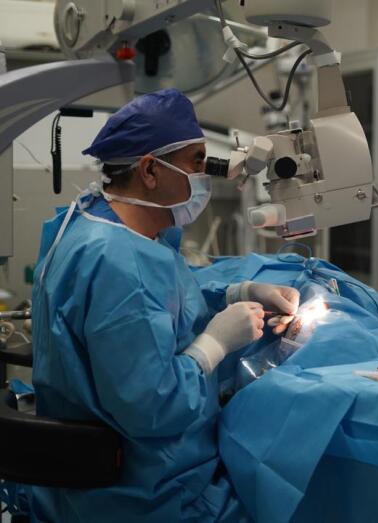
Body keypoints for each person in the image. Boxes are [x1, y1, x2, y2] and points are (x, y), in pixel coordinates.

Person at [30, 89, 300, 522]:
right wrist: (214, 344)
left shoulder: (94, 223)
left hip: (83, 484)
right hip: (143, 494)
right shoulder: (117, 262)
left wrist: (237, 294)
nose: (205, 174)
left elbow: (161, 304)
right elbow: (152, 406)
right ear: (151, 170)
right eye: (196, 162)